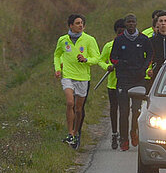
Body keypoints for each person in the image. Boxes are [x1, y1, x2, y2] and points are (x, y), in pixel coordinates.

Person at [53, 14, 100, 149]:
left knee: (79, 109)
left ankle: (75, 132)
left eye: (82, 23)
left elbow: (96, 57)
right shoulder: (63, 40)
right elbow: (57, 55)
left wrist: (86, 60)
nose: (80, 25)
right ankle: (70, 133)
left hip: (83, 77)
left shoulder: (89, 40)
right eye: (77, 23)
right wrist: (58, 69)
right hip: (68, 75)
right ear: (70, 26)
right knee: (69, 103)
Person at [110, 14, 153, 151]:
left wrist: (144, 67)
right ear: (125, 24)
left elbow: (150, 55)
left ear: (136, 23)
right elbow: (113, 58)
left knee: (136, 110)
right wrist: (122, 64)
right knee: (123, 111)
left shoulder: (143, 39)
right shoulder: (119, 40)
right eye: (128, 22)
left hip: (138, 79)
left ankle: (133, 131)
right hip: (123, 79)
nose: (130, 24)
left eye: (133, 22)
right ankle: (123, 139)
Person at [98, 18, 126, 149]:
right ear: (116, 32)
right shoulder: (109, 46)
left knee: (124, 111)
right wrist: (108, 66)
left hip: (126, 82)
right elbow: (100, 60)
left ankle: (124, 136)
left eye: (124, 32)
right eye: (119, 32)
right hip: (113, 84)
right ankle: (114, 134)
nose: (121, 34)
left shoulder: (130, 45)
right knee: (114, 109)